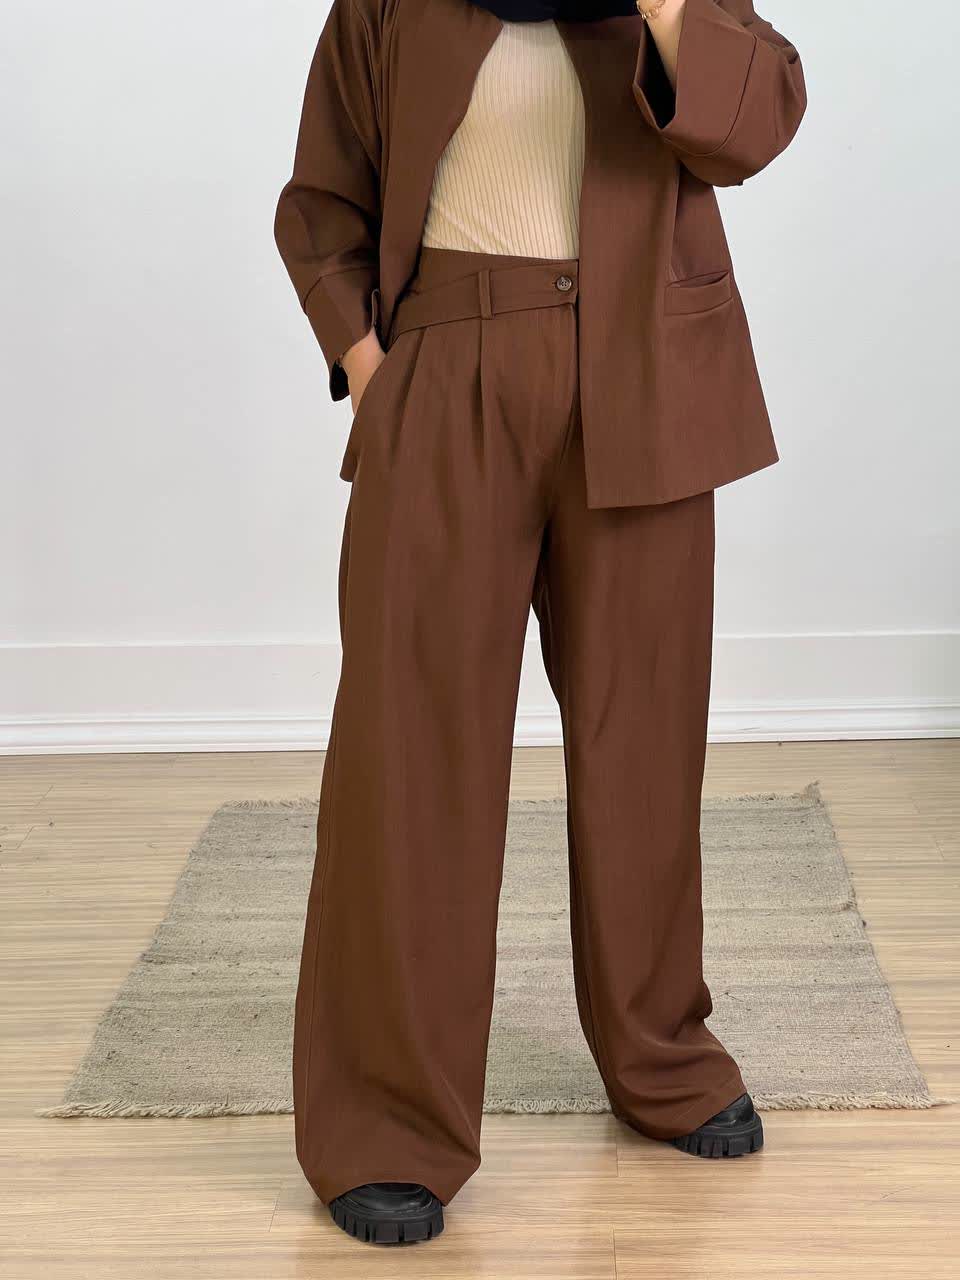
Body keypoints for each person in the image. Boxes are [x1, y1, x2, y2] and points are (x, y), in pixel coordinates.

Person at [274, 0, 805, 1246]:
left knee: (645, 738)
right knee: (412, 748)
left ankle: (659, 1051)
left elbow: (760, 116)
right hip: (448, 370)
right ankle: (386, 1121)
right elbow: (321, 199)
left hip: (648, 368)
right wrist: (372, 366)